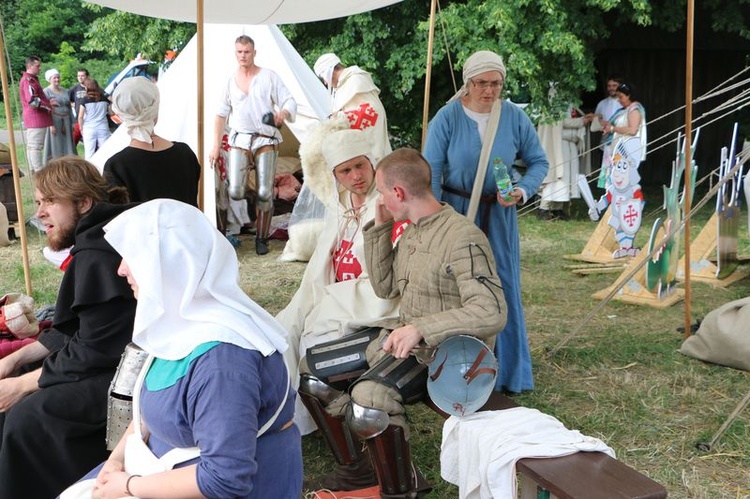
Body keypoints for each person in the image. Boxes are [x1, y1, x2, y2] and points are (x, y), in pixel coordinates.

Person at [297, 148, 506, 497]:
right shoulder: (410, 230)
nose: (377, 198)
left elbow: (492, 312)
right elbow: (385, 286)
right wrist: (381, 227)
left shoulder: (462, 238)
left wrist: (423, 328)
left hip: (450, 358)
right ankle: (358, 471)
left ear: (398, 193)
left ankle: (400, 491)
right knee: (313, 369)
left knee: (369, 400)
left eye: (381, 191)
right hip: (406, 340)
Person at [68, 199, 301, 499]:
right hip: (157, 470)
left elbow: (225, 480)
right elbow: (146, 416)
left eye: (133, 256)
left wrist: (127, 485)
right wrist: (115, 463)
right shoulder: (181, 326)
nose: (121, 269)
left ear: (172, 264)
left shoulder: (223, 363)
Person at [0, 157, 135, 498]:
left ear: (84, 202)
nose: (39, 212)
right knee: (25, 374)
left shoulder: (100, 254)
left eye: (49, 201)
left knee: (26, 417)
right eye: (38, 201)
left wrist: (22, 386)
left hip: (127, 376)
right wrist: (15, 362)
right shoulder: (95, 239)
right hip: (105, 360)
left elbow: (92, 350)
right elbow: (69, 328)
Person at [423, 50, 548, 394]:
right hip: (459, 213)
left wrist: (522, 190)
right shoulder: (447, 118)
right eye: (482, 83)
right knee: (461, 287)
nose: (489, 91)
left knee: (503, 285)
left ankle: (509, 373)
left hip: (500, 216)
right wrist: (434, 218)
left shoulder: (513, 117)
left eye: (496, 83)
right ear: (468, 82)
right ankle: (462, 371)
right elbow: (431, 169)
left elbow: (538, 161)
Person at [276, 117, 401, 437]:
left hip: (368, 300)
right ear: (334, 175)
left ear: (372, 162)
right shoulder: (340, 204)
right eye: (345, 171)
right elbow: (322, 265)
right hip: (334, 294)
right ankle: (290, 416)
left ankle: (315, 423)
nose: (356, 177)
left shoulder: (388, 204)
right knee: (283, 329)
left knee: (313, 342)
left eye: (360, 166)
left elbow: (387, 275)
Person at [209, 34, 297, 255]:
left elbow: (289, 100)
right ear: (235, 53)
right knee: (236, 190)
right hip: (240, 139)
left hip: (265, 138)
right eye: (239, 52)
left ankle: (262, 238)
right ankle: (235, 225)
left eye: (246, 51)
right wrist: (215, 145)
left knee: (266, 192)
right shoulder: (230, 80)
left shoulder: (268, 76)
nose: (243, 55)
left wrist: (282, 113)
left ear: (254, 52)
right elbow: (220, 114)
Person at [103, 77, 201, 207]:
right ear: (155, 108)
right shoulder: (185, 154)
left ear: (121, 114)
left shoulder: (116, 166)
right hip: (189, 227)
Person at [313, 53, 392, 160]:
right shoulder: (341, 87)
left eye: (324, 79)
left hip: (370, 143)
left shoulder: (356, 80)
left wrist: (340, 117)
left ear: (329, 73)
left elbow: (372, 111)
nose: (325, 83)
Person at [538, 104, 593, 220]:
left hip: (571, 144)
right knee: (557, 175)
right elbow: (563, 121)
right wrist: (583, 120)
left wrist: (583, 118)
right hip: (559, 144)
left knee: (568, 178)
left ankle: (557, 209)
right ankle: (544, 208)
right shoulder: (555, 101)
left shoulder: (572, 101)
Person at [598, 82, 647, 188]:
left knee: (622, 182)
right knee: (614, 183)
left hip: (626, 151)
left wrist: (613, 129)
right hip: (617, 150)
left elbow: (633, 130)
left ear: (629, 95)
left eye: (621, 97)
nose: (619, 100)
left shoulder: (634, 110)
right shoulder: (623, 110)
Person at [19, 56, 55, 174]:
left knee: (32, 145)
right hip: (36, 118)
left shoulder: (31, 79)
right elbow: (33, 101)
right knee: (35, 146)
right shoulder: (28, 80)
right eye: (37, 66)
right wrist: (48, 106)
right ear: (30, 66)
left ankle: (33, 169)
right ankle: (38, 170)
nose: (39, 68)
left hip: (34, 117)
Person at [43, 68, 77, 160]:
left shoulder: (65, 90)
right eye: (54, 78)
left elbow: (69, 106)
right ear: (50, 79)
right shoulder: (46, 92)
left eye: (58, 77)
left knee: (68, 141)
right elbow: (46, 109)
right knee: (56, 142)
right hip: (54, 120)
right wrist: (50, 125)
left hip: (66, 120)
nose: (57, 80)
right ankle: (56, 161)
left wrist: (73, 122)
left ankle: (69, 160)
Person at [78, 78, 112, 160]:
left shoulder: (85, 100)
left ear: (87, 88)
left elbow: (80, 116)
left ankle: (89, 170)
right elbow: (111, 113)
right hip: (103, 127)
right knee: (105, 151)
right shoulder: (104, 99)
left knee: (89, 152)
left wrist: (81, 128)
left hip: (89, 128)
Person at [68, 68, 89, 147]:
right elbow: (67, 101)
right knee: (72, 143)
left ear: (87, 76)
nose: (80, 78)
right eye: (78, 76)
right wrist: (74, 105)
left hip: (90, 120)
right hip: (78, 120)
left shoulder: (93, 87)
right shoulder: (74, 89)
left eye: (82, 76)